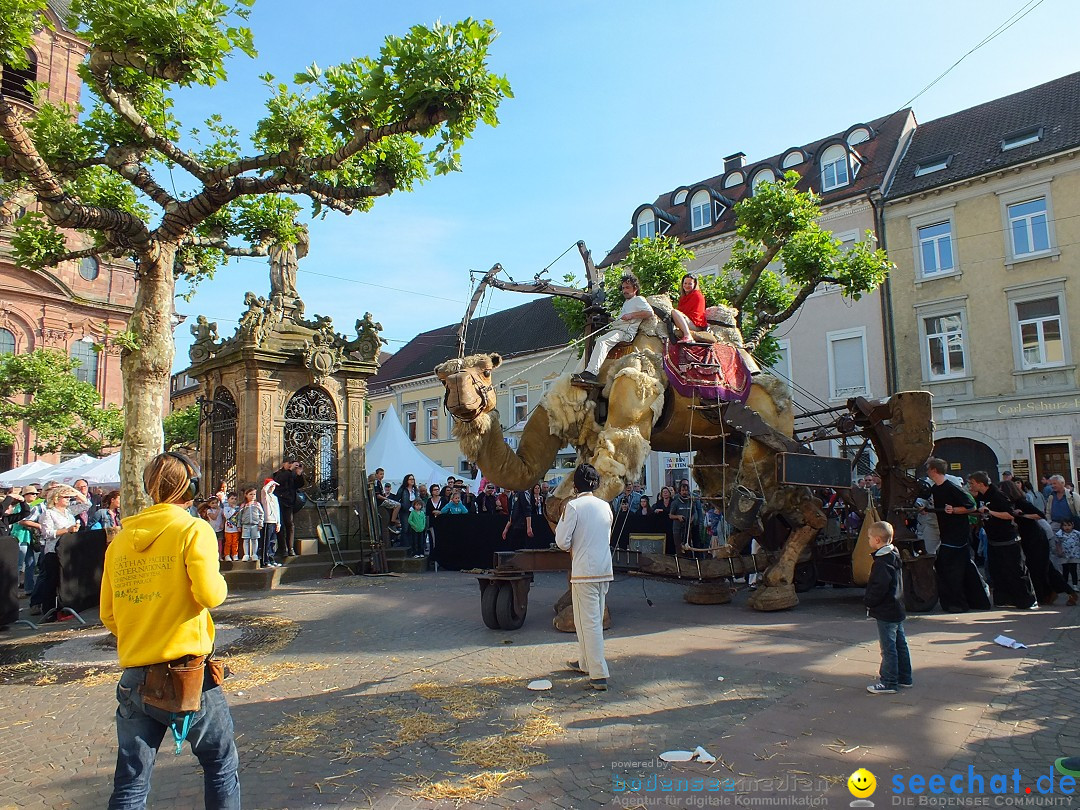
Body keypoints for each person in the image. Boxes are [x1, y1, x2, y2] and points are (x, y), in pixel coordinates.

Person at [99, 452, 239, 809]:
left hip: (136, 674)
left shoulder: (119, 543)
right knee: (220, 764)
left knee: (131, 782)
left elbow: (109, 616)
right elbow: (211, 594)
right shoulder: (193, 529)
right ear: (191, 486)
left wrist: (145, 628)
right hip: (186, 674)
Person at [556, 463, 614, 691]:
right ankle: (585, 662)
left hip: (584, 572)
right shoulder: (605, 506)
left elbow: (562, 541)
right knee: (589, 619)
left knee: (588, 622)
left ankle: (598, 673)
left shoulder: (573, 507)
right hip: (604, 569)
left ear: (575, 485)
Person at [926, 458, 990, 612]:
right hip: (947, 534)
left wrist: (954, 510)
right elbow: (939, 508)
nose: (926, 471)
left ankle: (957, 604)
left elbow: (971, 505)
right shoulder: (935, 489)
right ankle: (975, 601)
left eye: (928, 468)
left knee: (948, 567)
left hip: (956, 536)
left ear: (934, 470)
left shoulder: (952, 488)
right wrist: (926, 509)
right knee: (962, 567)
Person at [968, 471, 1037, 610]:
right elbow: (981, 511)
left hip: (1008, 540)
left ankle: (1027, 600)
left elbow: (1009, 515)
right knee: (997, 571)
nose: (970, 486)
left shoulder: (998, 495)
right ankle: (1004, 599)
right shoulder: (982, 496)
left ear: (981, 483)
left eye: (972, 483)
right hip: (993, 540)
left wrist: (989, 512)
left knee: (1016, 571)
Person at [1002, 480, 1077, 606]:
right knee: (1041, 568)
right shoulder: (1014, 503)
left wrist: (1022, 515)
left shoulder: (1021, 502)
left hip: (1036, 539)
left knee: (1041, 568)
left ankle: (1062, 592)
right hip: (1028, 539)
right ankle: (1049, 593)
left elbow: (1039, 514)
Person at [573, 273, 654, 385]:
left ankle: (591, 373)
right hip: (619, 329)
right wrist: (608, 318)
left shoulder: (639, 299)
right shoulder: (627, 303)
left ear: (635, 289)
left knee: (602, 341)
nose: (624, 290)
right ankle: (582, 371)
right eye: (623, 288)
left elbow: (649, 312)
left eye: (627, 287)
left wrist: (631, 315)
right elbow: (620, 320)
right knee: (592, 344)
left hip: (625, 333)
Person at [863, 521, 913, 695]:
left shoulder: (881, 562)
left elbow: (879, 587)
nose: (868, 540)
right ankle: (905, 677)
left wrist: (868, 601)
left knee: (888, 647)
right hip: (897, 606)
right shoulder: (893, 554)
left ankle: (889, 681)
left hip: (886, 609)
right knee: (900, 643)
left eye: (869, 537)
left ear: (877, 540)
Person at [27, 485, 87, 617]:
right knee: (51, 581)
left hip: (68, 551)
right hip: (53, 551)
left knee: (65, 581)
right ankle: (49, 611)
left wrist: (75, 492)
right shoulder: (48, 513)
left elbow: (87, 504)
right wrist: (67, 530)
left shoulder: (69, 511)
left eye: (68, 497)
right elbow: (47, 533)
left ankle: (64, 608)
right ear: (55, 499)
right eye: (64, 497)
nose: (68, 499)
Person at [273, 457, 305, 556]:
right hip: (280, 502)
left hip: (290, 503)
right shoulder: (279, 473)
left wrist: (299, 474)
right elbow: (279, 481)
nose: (291, 465)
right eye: (289, 463)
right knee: (281, 526)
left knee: (290, 525)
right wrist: (290, 470)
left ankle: (290, 548)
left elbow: (299, 485)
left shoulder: (293, 475)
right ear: (284, 464)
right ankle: (283, 549)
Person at [669, 479, 704, 554]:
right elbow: (670, 515)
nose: (684, 492)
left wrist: (691, 520)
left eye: (686, 490)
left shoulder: (691, 501)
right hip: (677, 529)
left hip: (687, 528)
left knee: (688, 547)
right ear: (680, 491)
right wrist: (678, 517)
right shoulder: (675, 502)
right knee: (679, 547)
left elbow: (694, 513)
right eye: (683, 490)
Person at [671, 274, 707, 343]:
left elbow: (692, 314)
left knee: (674, 312)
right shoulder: (683, 297)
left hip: (695, 324)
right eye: (685, 283)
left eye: (690, 284)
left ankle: (688, 335)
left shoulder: (697, 295)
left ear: (695, 284)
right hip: (688, 322)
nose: (687, 286)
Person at [237, 486, 264, 562]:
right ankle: (246, 554)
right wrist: (239, 525)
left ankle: (254, 554)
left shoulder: (257, 504)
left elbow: (261, 514)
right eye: (251, 494)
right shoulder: (244, 505)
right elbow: (239, 516)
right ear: (246, 495)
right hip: (245, 525)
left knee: (254, 539)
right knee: (246, 540)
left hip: (255, 525)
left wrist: (260, 523)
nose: (252, 496)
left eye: (254, 494)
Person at [260, 479, 281, 568]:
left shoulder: (275, 497)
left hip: (274, 521)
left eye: (274, 486)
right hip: (267, 521)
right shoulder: (266, 496)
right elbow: (264, 490)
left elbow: (277, 510)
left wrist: (278, 523)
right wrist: (269, 483)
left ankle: (271, 558)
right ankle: (265, 560)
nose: (272, 488)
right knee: (266, 542)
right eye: (271, 486)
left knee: (272, 542)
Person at [1055, 519, 1080, 588]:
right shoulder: (1059, 534)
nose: (1067, 527)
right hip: (1064, 555)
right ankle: (1065, 585)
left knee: (1073, 570)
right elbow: (1057, 543)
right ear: (1062, 526)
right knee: (1065, 570)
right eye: (1065, 525)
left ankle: (1075, 585)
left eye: (1069, 525)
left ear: (1072, 525)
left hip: (1074, 554)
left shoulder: (1077, 533)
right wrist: (1059, 551)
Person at [221, 493, 240, 562]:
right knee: (228, 542)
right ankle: (227, 555)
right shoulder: (226, 508)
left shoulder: (238, 508)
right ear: (228, 500)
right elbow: (227, 516)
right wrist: (232, 509)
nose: (233, 500)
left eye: (235, 499)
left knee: (235, 542)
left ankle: (235, 554)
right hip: (228, 529)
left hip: (235, 529)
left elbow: (239, 517)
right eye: (232, 499)